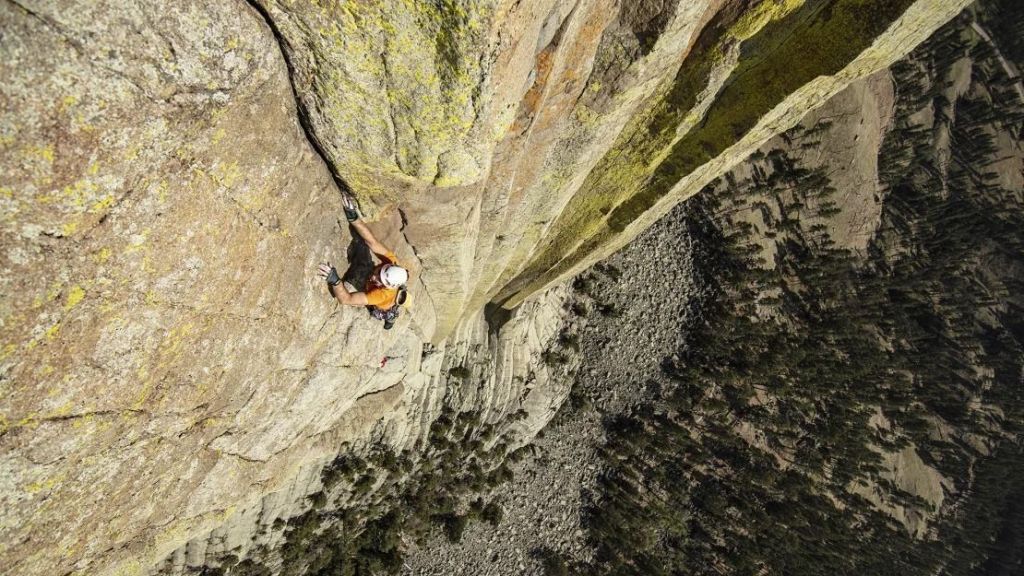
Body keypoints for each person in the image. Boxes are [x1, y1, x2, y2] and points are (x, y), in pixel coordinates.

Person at [318, 194, 409, 329]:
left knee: (383, 312)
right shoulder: (391, 261)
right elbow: (371, 241)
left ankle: (390, 320)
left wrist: (334, 280)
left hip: (385, 303)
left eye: (379, 280)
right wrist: (354, 217)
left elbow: (346, 299)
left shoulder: (379, 295)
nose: (374, 276)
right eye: (379, 272)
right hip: (393, 288)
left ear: (385, 286)